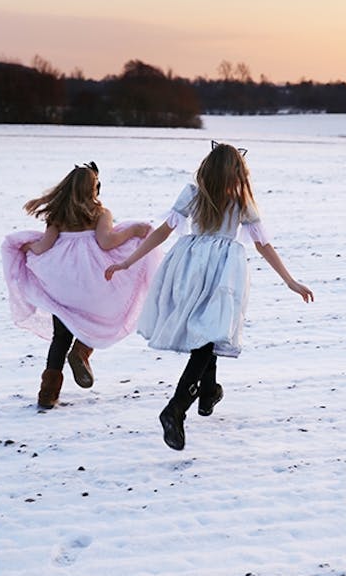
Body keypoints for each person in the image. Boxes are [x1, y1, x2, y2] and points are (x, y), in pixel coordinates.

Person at [104, 142, 313, 450]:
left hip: (188, 264)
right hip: (223, 270)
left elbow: (162, 232)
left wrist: (128, 261)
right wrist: (290, 280)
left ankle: (208, 392)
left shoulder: (193, 194)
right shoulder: (241, 202)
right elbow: (262, 245)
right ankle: (176, 408)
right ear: (237, 172)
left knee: (207, 331)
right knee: (208, 333)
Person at [1, 162, 160, 408]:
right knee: (101, 313)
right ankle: (82, 352)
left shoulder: (58, 216)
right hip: (91, 279)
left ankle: (48, 393)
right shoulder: (100, 213)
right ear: (92, 189)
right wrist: (134, 231)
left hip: (62, 282)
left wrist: (28, 247)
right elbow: (107, 242)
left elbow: (44, 246)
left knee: (60, 337)